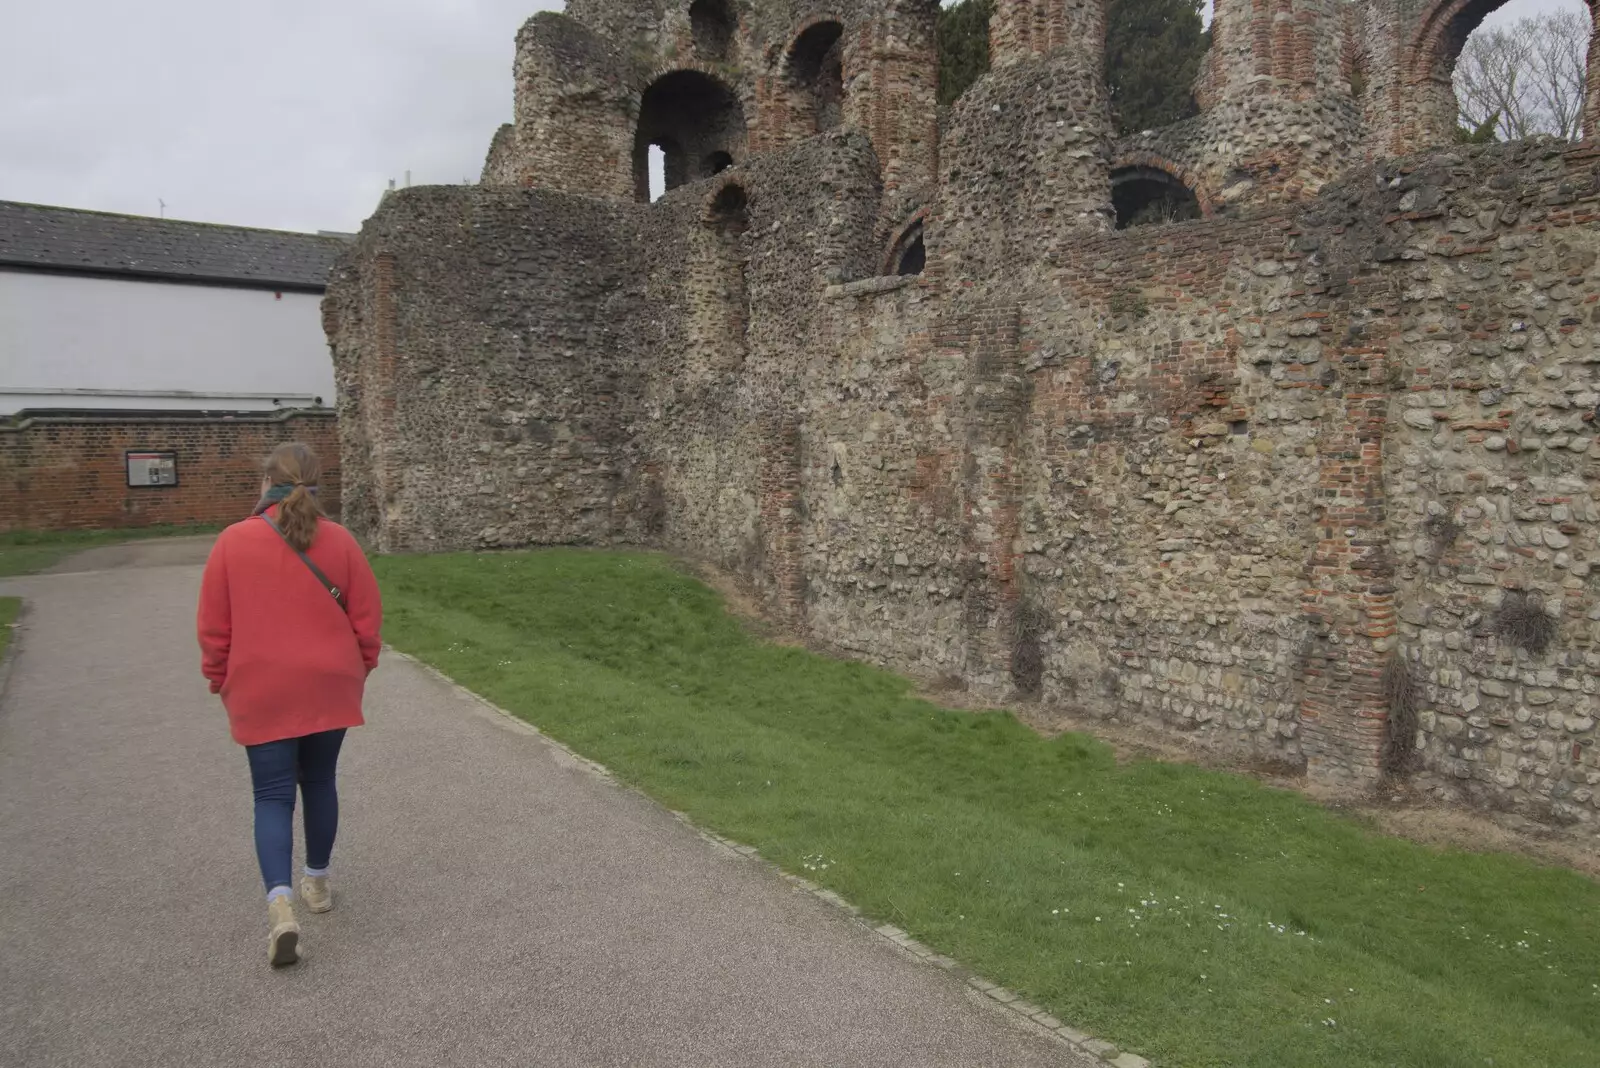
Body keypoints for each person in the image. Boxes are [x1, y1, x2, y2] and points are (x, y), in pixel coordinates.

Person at [196, 443, 382, 967]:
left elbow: (215, 627)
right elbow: (367, 618)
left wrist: (219, 679)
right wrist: (358, 667)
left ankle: (279, 902)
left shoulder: (233, 541)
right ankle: (317, 884)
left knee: (272, 795)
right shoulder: (341, 540)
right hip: (329, 683)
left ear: (265, 482)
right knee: (320, 781)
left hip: (261, 687)